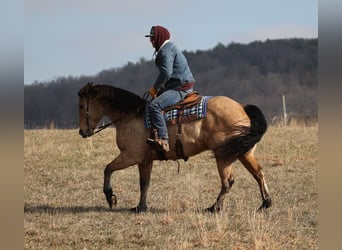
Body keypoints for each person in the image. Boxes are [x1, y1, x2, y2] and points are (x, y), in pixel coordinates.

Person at [145, 25, 195, 153]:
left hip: (180, 88)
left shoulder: (165, 51)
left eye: (152, 38)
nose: (150, 41)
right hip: (177, 85)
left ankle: (164, 139)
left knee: (154, 106)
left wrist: (154, 89)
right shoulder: (168, 48)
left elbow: (166, 73)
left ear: (159, 38)